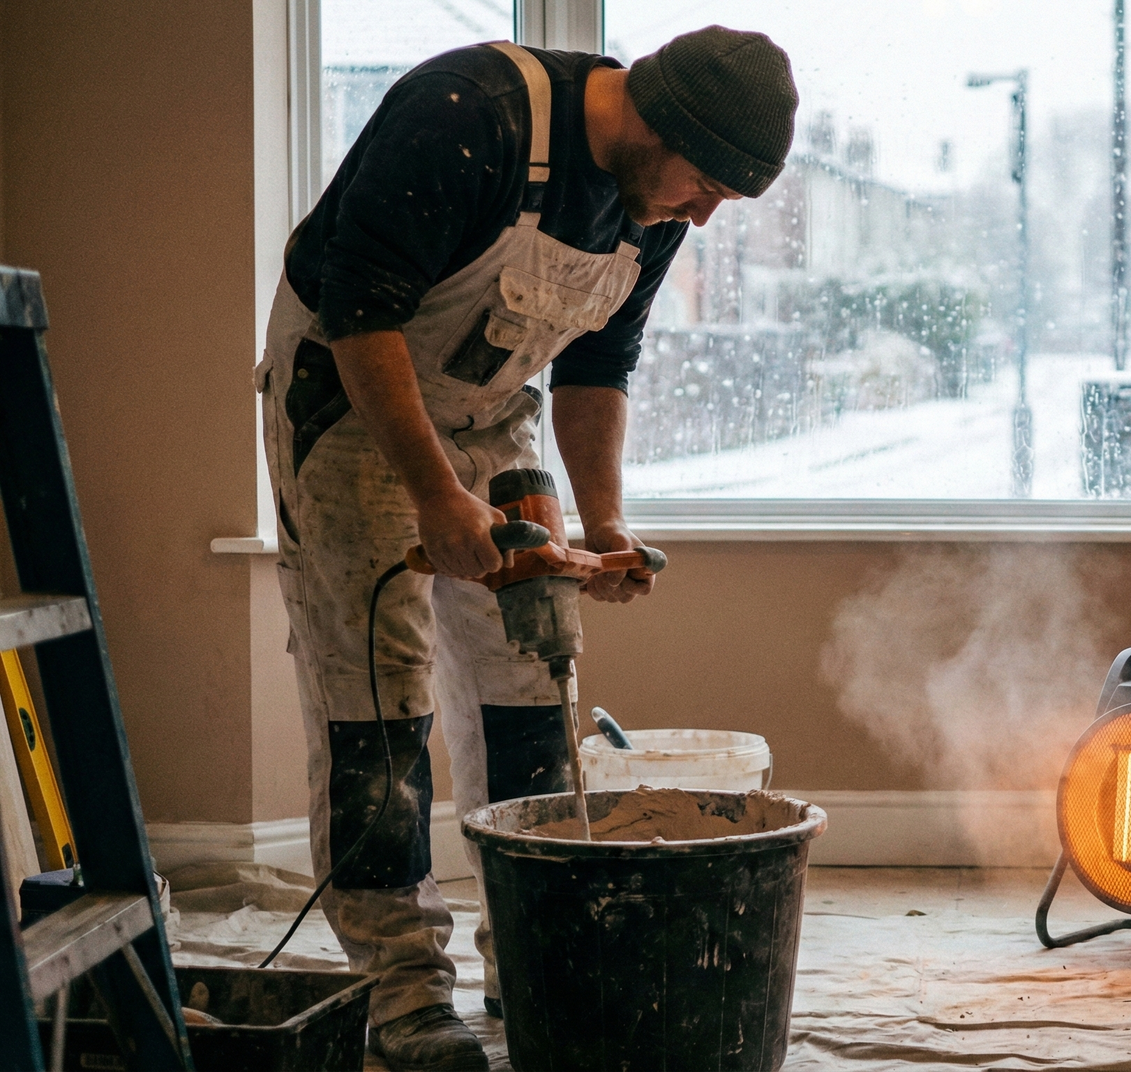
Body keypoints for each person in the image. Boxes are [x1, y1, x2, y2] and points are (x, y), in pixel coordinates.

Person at [257, 26, 797, 1071]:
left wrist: (603, 527)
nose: (706, 212)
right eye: (708, 184)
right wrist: (434, 497)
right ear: (659, 120)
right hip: (356, 400)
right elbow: (361, 316)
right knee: (380, 702)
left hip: (494, 408)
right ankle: (402, 990)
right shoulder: (470, 118)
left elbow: (599, 365)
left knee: (531, 676)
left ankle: (538, 943)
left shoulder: (655, 206)